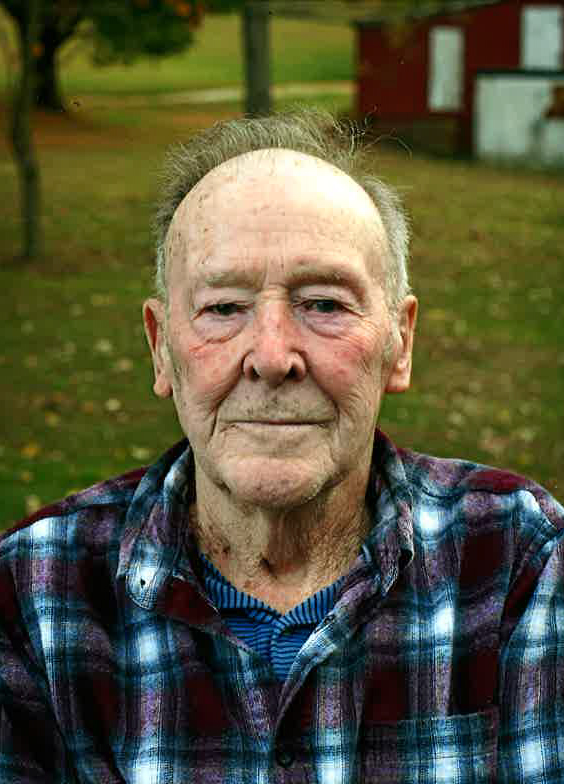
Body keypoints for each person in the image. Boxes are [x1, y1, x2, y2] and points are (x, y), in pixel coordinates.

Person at [1, 108, 562, 784]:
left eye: (323, 304)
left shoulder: (519, 562)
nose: (271, 357)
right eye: (223, 308)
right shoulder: (33, 594)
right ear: (160, 347)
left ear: (400, 342)